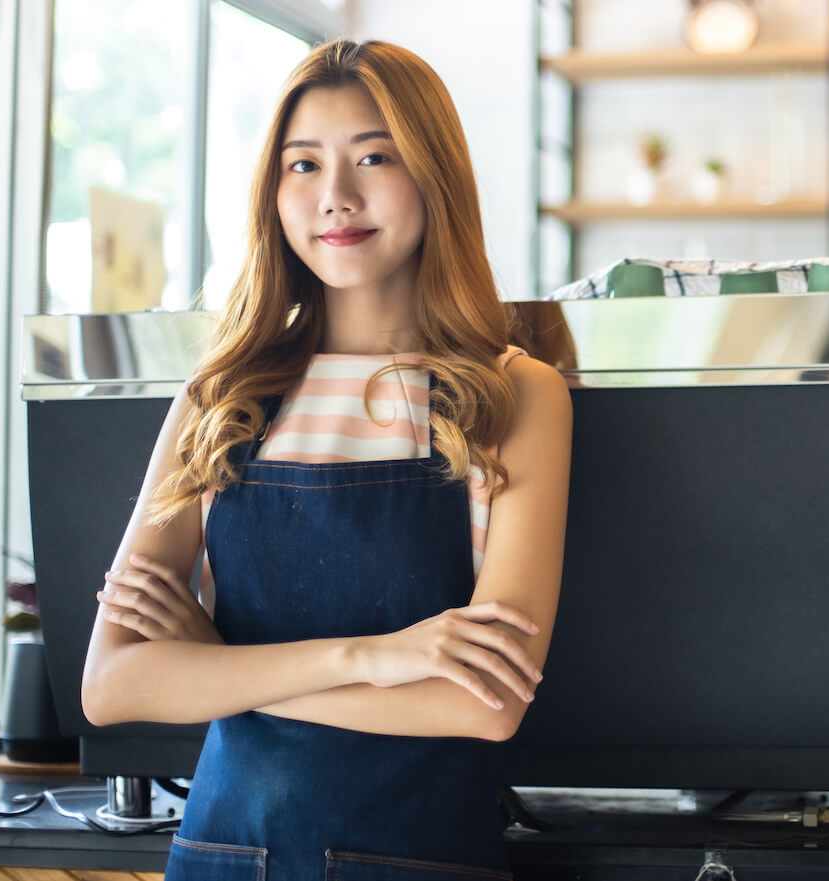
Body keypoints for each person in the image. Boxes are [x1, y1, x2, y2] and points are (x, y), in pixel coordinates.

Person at [80, 38, 572, 880]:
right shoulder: (220, 397)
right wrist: (373, 657)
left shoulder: (513, 395)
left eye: (373, 156)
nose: (335, 196)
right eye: (302, 165)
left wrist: (217, 668)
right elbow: (113, 686)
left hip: (421, 865)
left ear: (434, 174)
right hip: (221, 857)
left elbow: (484, 704)